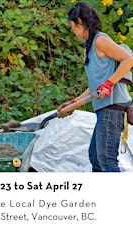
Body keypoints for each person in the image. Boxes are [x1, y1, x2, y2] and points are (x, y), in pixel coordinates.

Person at [58, 2, 133, 172]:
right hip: (104, 109)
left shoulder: (101, 40)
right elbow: (94, 87)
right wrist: (72, 103)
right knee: (95, 158)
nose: (73, 31)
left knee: (106, 160)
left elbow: (128, 59)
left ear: (80, 22)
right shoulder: (89, 48)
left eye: (73, 26)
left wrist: (109, 83)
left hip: (113, 107)